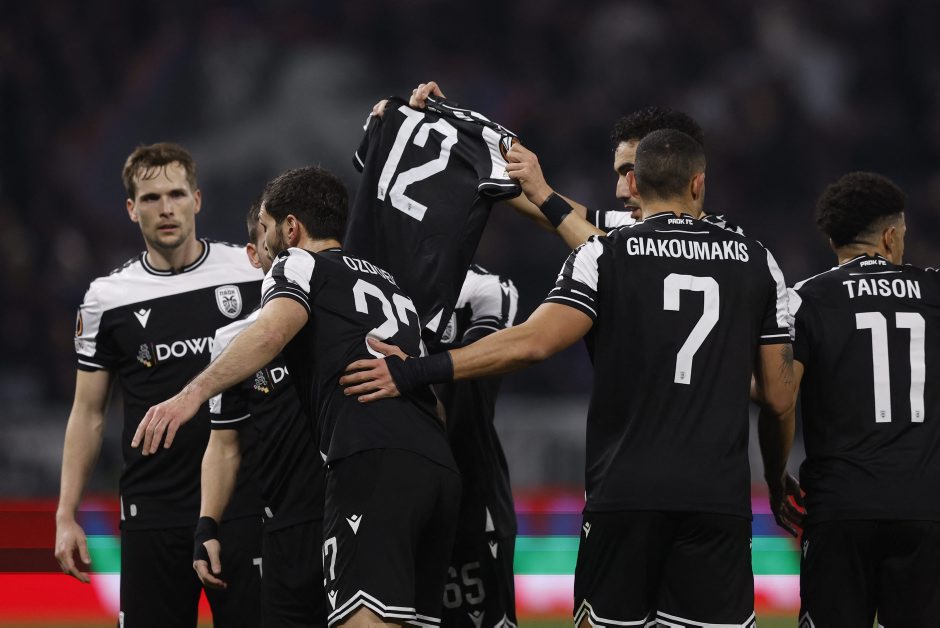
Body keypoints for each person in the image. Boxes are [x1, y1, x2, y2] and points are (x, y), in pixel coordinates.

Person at [341, 129, 797, 627]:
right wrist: (776, 481)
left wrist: (416, 369)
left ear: (635, 186)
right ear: (698, 182)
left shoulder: (604, 253)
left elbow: (532, 343)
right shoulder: (757, 260)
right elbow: (779, 398)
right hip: (718, 499)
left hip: (624, 493)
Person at [131, 166, 461, 628]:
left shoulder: (297, 263)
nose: (264, 241)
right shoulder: (389, 285)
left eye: (266, 227)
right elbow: (436, 404)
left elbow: (271, 332)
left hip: (370, 463)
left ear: (291, 229)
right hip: (437, 469)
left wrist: (191, 394)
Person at [55, 143, 263, 627]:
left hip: (244, 503)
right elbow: (88, 412)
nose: (166, 208)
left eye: (176, 194)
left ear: (197, 199)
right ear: (131, 209)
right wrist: (66, 513)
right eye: (151, 198)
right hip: (153, 511)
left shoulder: (250, 272)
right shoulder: (107, 299)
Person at [785, 172, 940, 626]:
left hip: (839, 506)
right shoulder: (934, 292)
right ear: (890, 236)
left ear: (833, 239)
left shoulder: (805, 298)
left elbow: (779, 396)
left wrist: (776, 477)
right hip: (925, 506)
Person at [406, 81, 742, 251]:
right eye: (621, 173)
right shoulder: (631, 228)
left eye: (635, 172)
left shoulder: (729, 247)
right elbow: (558, 214)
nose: (622, 190)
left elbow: (613, 258)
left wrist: (425, 366)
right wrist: (457, 134)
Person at [195, 202, 327, 627]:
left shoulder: (344, 314)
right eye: (268, 235)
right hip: (282, 530)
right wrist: (207, 525)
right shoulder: (233, 339)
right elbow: (224, 443)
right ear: (253, 255)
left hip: (349, 516)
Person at [437, 266, 520, 628]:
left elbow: (484, 358)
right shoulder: (371, 281)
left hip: (470, 491)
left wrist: (408, 371)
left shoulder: (484, 288)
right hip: (393, 499)